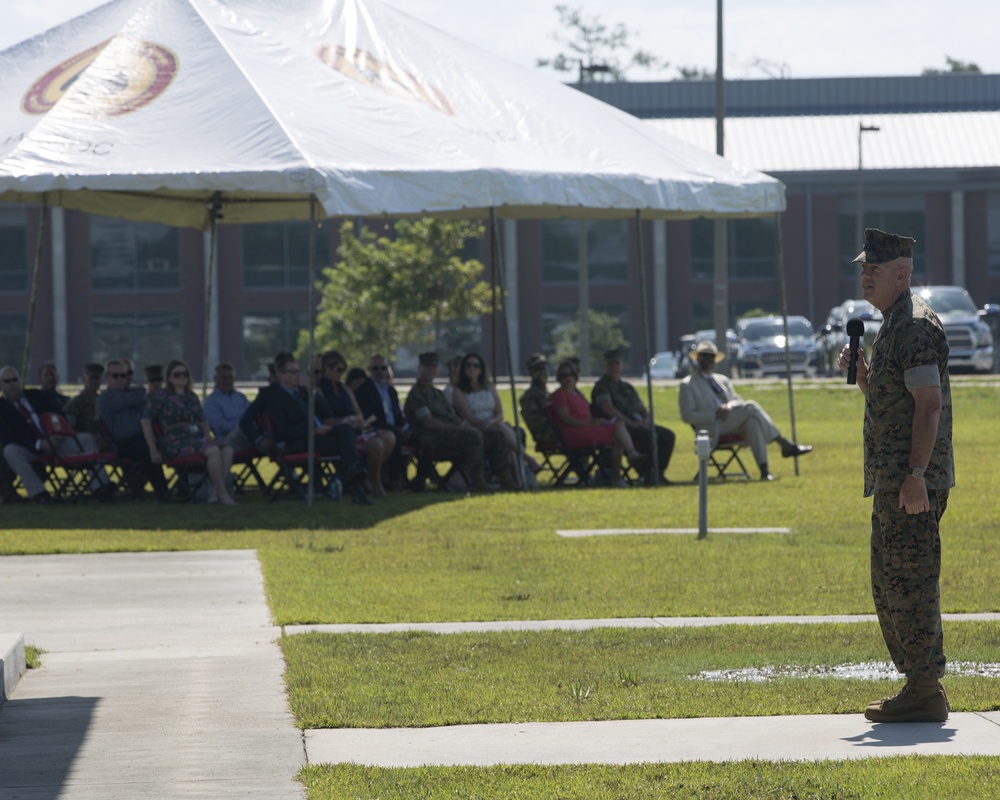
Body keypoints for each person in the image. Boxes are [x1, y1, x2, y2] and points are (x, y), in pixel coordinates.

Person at [838, 228, 954, 724]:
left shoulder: (915, 327)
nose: (866, 275)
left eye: (876, 270)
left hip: (911, 482)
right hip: (893, 480)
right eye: (864, 268)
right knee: (888, 584)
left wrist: (915, 476)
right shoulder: (892, 324)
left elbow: (929, 409)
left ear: (901, 275)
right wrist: (865, 375)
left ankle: (926, 689)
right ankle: (917, 684)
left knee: (911, 582)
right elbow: (898, 402)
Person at [678, 340, 812, 481]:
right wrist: (715, 413)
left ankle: (764, 471)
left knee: (752, 422)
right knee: (751, 407)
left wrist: (729, 406)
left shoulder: (722, 380)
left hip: (732, 420)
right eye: (704, 356)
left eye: (711, 356)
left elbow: (737, 400)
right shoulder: (688, 384)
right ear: (697, 358)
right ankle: (783, 444)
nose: (708, 359)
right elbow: (687, 416)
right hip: (712, 427)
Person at [253, 352, 370, 504]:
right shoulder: (276, 399)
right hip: (301, 440)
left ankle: (352, 476)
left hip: (320, 433)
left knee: (345, 430)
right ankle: (353, 480)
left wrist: (312, 391)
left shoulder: (302, 392)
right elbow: (285, 432)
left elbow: (327, 412)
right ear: (282, 375)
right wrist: (313, 430)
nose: (297, 375)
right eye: (293, 372)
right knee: (346, 444)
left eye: (298, 372)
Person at [404, 351, 513, 492]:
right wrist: (455, 428)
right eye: (427, 367)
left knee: (495, 434)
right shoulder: (417, 394)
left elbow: (451, 415)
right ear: (420, 368)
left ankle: (506, 480)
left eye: (434, 367)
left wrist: (461, 424)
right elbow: (428, 422)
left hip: (449, 432)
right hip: (429, 437)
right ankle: (478, 482)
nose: (431, 371)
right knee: (472, 435)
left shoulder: (437, 393)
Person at [1, 365, 109, 503]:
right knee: (10, 451)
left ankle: (100, 487)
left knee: (87, 438)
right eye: (7, 381)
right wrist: (40, 444)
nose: (12, 384)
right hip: (31, 448)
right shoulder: (2, 408)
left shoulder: (35, 395)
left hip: (56, 441)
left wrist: (57, 435)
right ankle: (38, 493)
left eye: (15, 380)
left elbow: (59, 414)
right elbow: (10, 437)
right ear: (1, 385)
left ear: (20, 381)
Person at [142, 359, 236, 505]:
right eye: (177, 374)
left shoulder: (191, 397)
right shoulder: (161, 396)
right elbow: (146, 421)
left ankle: (214, 493)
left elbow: (203, 421)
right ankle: (223, 494)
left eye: (184, 374)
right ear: (169, 377)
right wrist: (153, 450)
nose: (181, 377)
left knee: (228, 450)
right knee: (213, 451)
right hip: (174, 442)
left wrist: (206, 436)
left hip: (196, 438)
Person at [548, 359, 642, 488]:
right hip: (573, 433)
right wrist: (592, 423)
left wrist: (598, 421)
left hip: (587, 429)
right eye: (564, 375)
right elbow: (567, 419)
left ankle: (617, 477)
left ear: (576, 376)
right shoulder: (559, 395)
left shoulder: (578, 395)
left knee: (617, 437)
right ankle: (631, 454)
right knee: (618, 425)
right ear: (559, 378)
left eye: (571, 374)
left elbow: (587, 415)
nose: (568, 378)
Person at [452, 352, 538, 488]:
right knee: (503, 431)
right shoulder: (459, 391)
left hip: (494, 423)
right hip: (477, 428)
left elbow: (499, 413)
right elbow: (468, 417)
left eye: (476, 366)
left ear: (481, 369)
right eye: (468, 365)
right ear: (463, 369)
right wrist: (488, 423)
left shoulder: (489, 386)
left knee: (509, 436)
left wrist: (493, 422)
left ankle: (517, 482)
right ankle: (527, 459)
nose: (471, 369)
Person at [591, 348, 676, 485]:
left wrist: (645, 419)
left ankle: (659, 473)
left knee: (668, 435)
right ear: (604, 367)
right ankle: (647, 473)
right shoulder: (601, 387)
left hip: (637, 422)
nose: (614, 368)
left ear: (622, 366)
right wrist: (631, 422)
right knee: (649, 436)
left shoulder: (627, 387)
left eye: (616, 364)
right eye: (610, 365)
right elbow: (608, 409)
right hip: (619, 427)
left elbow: (641, 407)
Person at [317, 350, 395, 497]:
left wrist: (355, 420)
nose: (341, 374)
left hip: (355, 427)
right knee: (376, 445)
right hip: (339, 433)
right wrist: (344, 421)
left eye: (343, 370)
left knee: (389, 437)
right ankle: (375, 484)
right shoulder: (320, 391)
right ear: (326, 368)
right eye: (338, 370)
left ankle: (367, 475)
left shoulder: (345, 389)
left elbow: (358, 412)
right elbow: (324, 419)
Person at [97, 358, 171, 502]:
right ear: (107, 378)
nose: (120, 379)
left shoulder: (134, 394)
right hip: (122, 444)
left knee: (166, 444)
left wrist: (134, 397)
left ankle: (182, 486)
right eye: (115, 376)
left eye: (124, 375)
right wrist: (134, 398)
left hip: (142, 438)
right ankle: (162, 492)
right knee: (148, 450)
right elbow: (140, 395)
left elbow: (141, 395)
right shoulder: (104, 398)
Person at [354, 354, 411, 488]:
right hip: (375, 429)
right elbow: (369, 417)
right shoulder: (363, 391)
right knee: (394, 435)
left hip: (395, 427)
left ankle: (421, 478)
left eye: (383, 368)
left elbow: (397, 415)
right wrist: (396, 429)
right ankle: (394, 478)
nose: (380, 372)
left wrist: (405, 427)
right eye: (376, 369)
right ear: (369, 370)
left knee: (418, 435)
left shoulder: (391, 391)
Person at [203, 362, 252, 450]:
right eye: (223, 378)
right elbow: (219, 427)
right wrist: (243, 423)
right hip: (227, 441)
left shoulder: (240, 397)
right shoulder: (210, 402)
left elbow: (252, 415)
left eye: (230, 377)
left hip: (249, 435)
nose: (227, 381)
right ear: (215, 379)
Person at [519, 353, 557, 449]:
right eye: (538, 368)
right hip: (547, 434)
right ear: (532, 372)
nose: (543, 371)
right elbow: (535, 423)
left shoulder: (548, 393)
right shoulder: (529, 396)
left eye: (544, 367)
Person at [63, 363, 106, 445]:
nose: (94, 381)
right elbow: (69, 427)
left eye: (97, 378)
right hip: (85, 442)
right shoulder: (76, 402)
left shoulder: (103, 401)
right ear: (84, 379)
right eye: (91, 378)